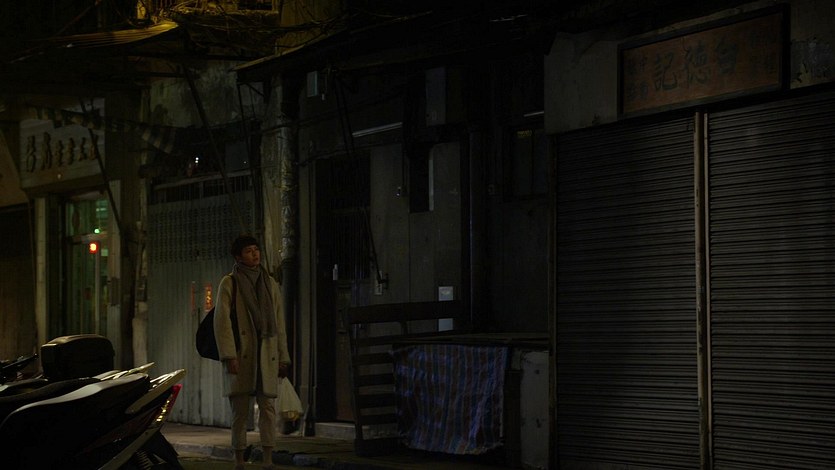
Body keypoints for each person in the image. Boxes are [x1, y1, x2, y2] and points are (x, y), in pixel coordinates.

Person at [214, 235, 291, 470]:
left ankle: (268, 458)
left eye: (256, 250)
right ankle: (239, 459)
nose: (255, 254)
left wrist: (283, 356)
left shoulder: (269, 283)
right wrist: (229, 355)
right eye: (248, 251)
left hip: (266, 353)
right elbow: (222, 322)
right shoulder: (230, 283)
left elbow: (278, 323)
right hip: (242, 353)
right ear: (238, 257)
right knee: (240, 410)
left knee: (268, 408)